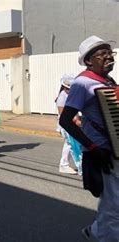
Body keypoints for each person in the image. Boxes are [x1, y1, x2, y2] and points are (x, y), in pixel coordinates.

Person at [59, 35, 119, 241]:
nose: (109, 57)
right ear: (88, 60)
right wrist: (93, 148)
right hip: (101, 151)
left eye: (109, 53)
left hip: (115, 149)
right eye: (102, 54)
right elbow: (65, 121)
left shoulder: (108, 81)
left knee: (114, 201)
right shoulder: (82, 83)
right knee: (113, 204)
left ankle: (95, 231)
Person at [56, 74, 81, 175]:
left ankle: (64, 164)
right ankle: (64, 165)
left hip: (72, 123)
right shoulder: (62, 97)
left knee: (70, 144)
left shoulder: (70, 95)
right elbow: (64, 114)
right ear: (64, 87)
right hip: (66, 125)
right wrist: (76, 120)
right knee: (70, 144)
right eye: (69, 88)